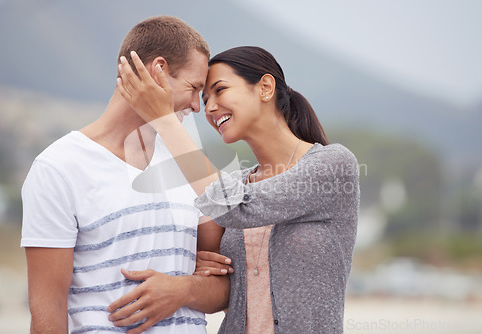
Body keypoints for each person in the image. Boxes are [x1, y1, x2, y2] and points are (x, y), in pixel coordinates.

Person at [116, 45, 360, 333]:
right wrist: (195, 266)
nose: (208, 108)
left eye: (220, 90)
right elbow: (221, 289)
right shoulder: (236, 184)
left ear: (265, 87)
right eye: (205, 99)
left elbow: (234, 208)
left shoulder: (332, 165)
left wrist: (165, 121)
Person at [21, 16, 229, 334]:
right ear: (158, 71)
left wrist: (183, 289)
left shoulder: (187, 163)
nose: (196, 106)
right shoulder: (59, 168)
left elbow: (224, 287)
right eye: (193, 88)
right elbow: (48, 308)